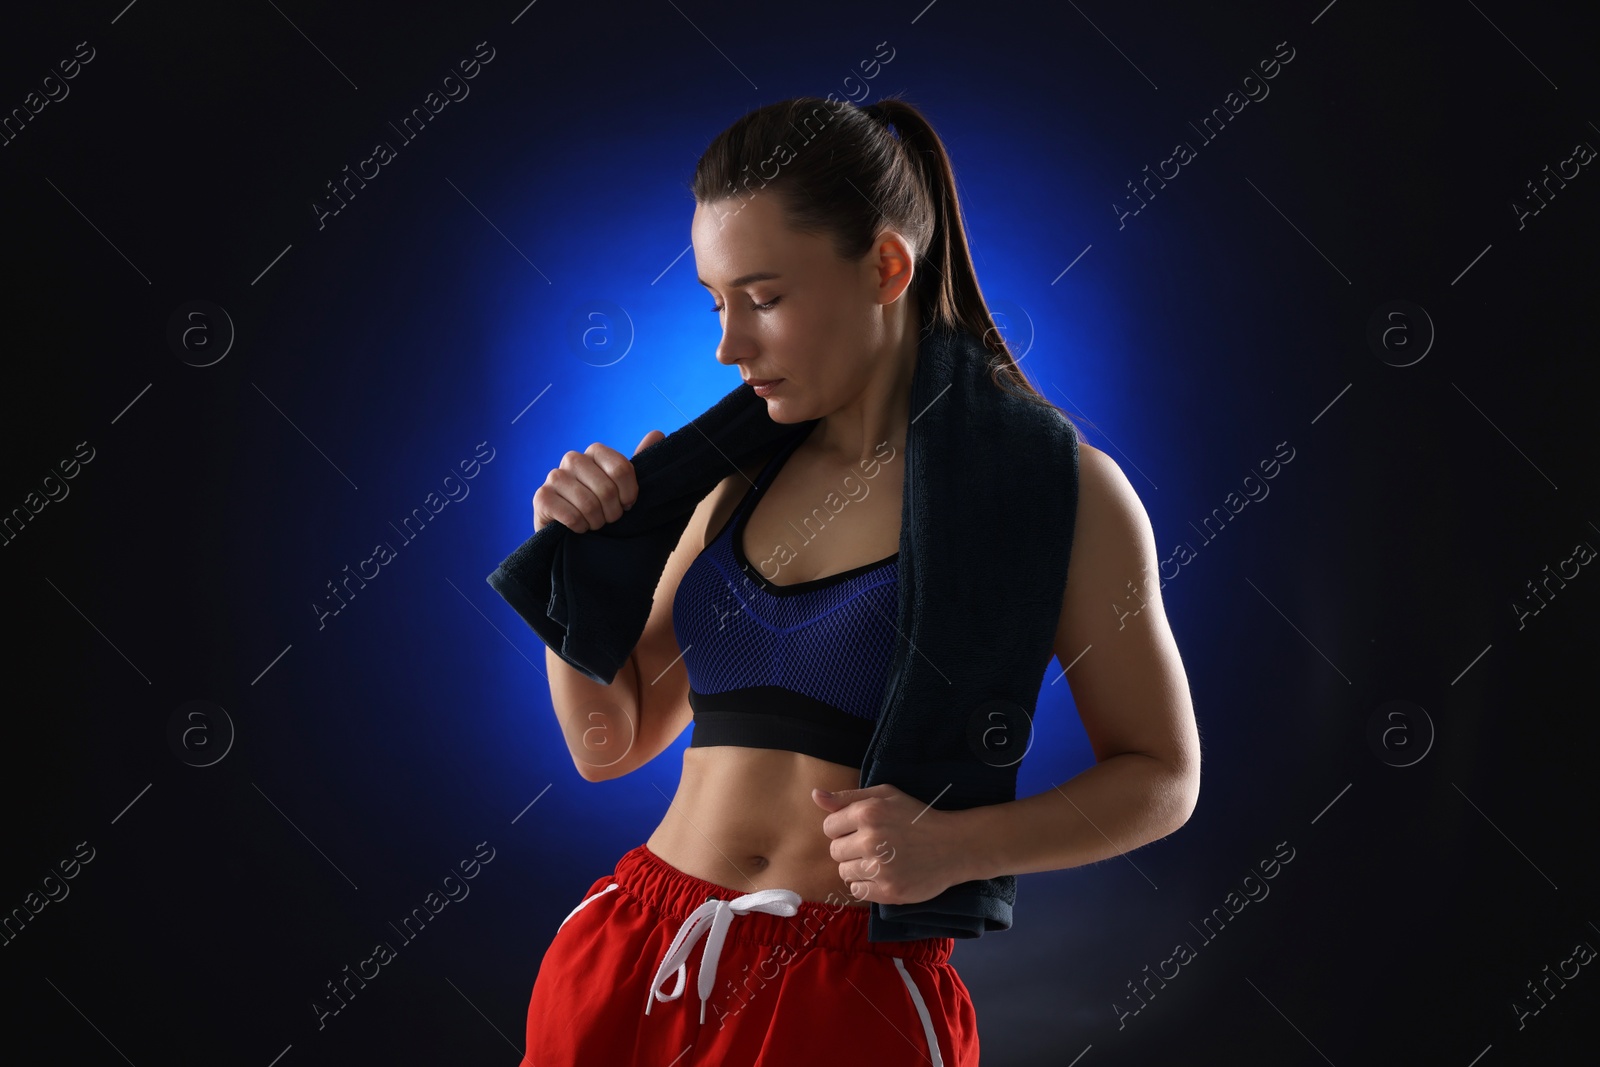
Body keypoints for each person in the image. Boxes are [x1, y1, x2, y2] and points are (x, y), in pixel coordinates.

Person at [519, 94, 1201, 1065]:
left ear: (886, 265)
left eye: (763, 297)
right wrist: (572, 562)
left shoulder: (1058, 491)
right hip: (637, 949)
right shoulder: (725, 476)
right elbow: (609, 740)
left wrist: (961, 846)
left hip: (846, 995)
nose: (728, 344)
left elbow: (1163, 777)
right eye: (717, 301)